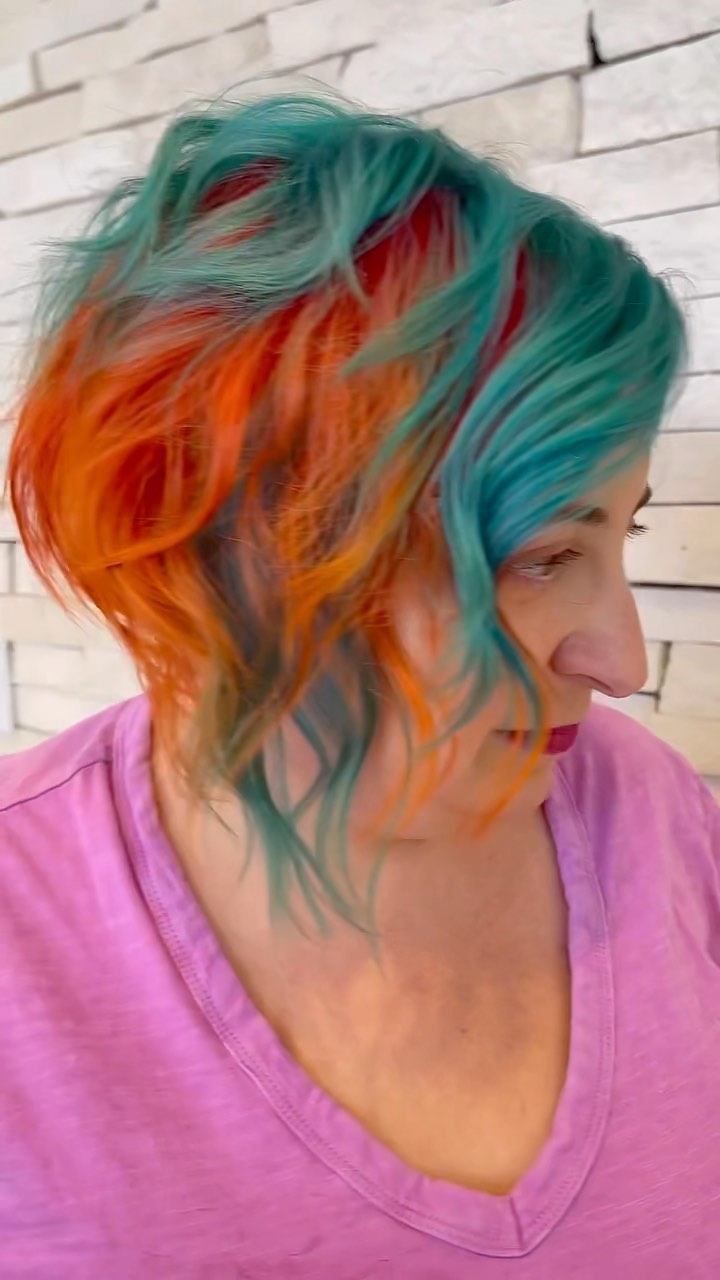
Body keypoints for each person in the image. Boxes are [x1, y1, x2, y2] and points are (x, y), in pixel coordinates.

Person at [1, 92, 718, 1279]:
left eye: (619, 535)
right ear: (230, 550)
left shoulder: (645, 808)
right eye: (542, 555)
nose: (621, 660)